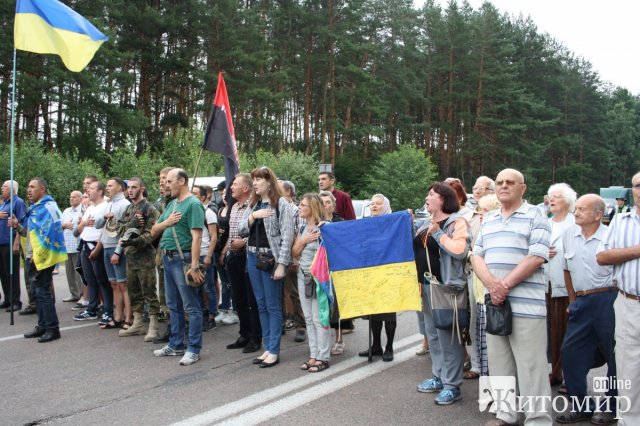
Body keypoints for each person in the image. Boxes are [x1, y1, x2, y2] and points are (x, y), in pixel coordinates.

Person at [472, 168, 552, 426]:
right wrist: (492, 286)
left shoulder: (536, 215)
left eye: (510, 182)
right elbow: (476, 256)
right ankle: (506, 414)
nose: (503, 186)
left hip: (526, 306)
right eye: (499, 182)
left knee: (531, 365)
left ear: (523, 188)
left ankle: (537, 419)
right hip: (495, 305)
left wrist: (501, 286)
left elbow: (537, 256)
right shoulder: (490, 219)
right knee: (499, 362)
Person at [555, 195, 616, 425]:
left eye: (582, 209)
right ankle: (581, 405)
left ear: (598, 215)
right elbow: (566, 269)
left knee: (614, 357)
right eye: (576, 208)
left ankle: (611, 406)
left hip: (607, 299)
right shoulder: (569, 234)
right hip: (581, 302)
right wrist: (572, 299)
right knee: (570, 353)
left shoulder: (610, 235)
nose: (576, 213)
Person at [415, 183, 471, 405]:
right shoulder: (424, 224)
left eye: (431, 194)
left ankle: (452, 386)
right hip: (427, 287)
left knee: (449, 337)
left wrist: (438, 233)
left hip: (447, 288)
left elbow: (459, 251)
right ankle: (438, 377)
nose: (426, 197)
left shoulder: (456, 222)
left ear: (443, 199)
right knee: (434, 336)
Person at [239, 166, 296, 368]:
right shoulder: (253, 205)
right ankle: (267, 347)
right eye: (253, 179)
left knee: (272, 305)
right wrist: (254, 217)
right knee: (261, 304)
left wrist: (282, 264)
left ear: (269, 182)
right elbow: (241, 230)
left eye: (258, 180)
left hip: (271, 257)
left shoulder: (281, 204)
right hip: (253, 256)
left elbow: (288, 236)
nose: (254, 183)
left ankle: (274, 349)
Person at [596, 171, 640, 426]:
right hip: (629, 302)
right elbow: (602, 257)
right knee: (628, 367)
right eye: (637, 186)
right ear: (631, 191)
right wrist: (636, 250)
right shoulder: (620, 222)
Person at [151, 169, 205, 365]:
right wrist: (167, 221)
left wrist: (194, 266)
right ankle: (175, 344)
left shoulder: (193, 204)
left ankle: (193, 348)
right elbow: (154, 230)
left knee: (191, 307)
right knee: (173, 305)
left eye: (170, 181)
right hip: (167, 258)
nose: (166, 185)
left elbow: (197, 237)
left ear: (181, 181)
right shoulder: (172, 204)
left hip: (183, 260)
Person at [11, 178, 66, 343]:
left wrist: (40, 255)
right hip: (31, 254)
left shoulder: (48, 207)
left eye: (32, 187)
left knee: (43, 293)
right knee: (36, 293)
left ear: (42, 190)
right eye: (28, 187)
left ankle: (52, 328)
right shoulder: (35, 208)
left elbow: (53, 231)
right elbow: (29, 232)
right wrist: (16, 226)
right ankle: (42, 325)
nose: (28, 190)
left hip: (42, 256)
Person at [116, 178, 161, 340]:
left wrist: (134, 241)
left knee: (149, 290)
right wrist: (132, 224)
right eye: (129, 188)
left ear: (142, 188)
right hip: (131, 257)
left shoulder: (150, 209)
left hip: (145, 257)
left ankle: (154, 325)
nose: (130, 190)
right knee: (133, 290)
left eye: (134, 187)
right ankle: (138, 323)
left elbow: (152, 233)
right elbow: (118, 228)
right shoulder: (129, 208)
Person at [292, 193, 331, 373]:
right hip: (303, 276)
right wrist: (304, 240)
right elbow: (294, 252)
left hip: (319, 279)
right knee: (308, 317)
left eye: (303, 205)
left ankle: (324, 356)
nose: (299, 207)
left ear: (313, 208)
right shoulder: (302, 228)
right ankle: (313, 354)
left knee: (319, 317)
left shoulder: (325, 227)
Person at [224, 174, 262, 353]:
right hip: (233, 257)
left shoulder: (254, 207)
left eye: (235, 184)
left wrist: (244, 243)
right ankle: (244, 334)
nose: (231, 187)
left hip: (248, 257)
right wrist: (225, 252)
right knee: (238, 298)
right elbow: (231, 233)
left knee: (251, 299)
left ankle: (255, 337)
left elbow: (261, 235)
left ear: (246, 188)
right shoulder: (233, 206)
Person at [464, 176, 496, 380]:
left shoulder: (496, 218)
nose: (476, 191)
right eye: (474, 187)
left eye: (481, 188)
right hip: (473, 276)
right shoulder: (471, 217)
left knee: (494, 323)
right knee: (476, 321)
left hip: (494, 279)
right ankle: (478, 365)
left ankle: (495, 367)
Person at [359, 194, 398, 362]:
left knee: (388, 314)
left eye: (378, 204)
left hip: (388, 273)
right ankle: (376, 345)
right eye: (372, 204)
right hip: (371, 273)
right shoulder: (366, 224)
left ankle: (389, 346)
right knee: (374, 313)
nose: (374, 206)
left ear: (386, 205)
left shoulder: (393, 223)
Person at [545, 183, 576, 389]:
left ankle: (571, 376)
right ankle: (556, 373)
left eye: (557, 196)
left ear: (569, 201)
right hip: (545, 285)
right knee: (551, 333)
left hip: (567, 288)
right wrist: (542, 252)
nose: (552, 199)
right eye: (550, 196)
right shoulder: (545, 223)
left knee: (568, 332)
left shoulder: (575, 223)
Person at [319, 190, 354, 355]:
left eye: (328, 202)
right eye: (322, 202)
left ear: (334, 205)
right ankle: (322, 341)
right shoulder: (313, 223)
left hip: (337, 269)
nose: (325, 206)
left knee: (337, 307)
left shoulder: (341, 223)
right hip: (319, 270)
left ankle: (339, 339)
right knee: (321, 305)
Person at [95, 178, 131, 328]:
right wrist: (105, 216)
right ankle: (118, 316)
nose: (107, 188)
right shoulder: (108, 204)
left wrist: (118, 251)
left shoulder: (126, 205)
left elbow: (127, 232)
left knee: (123, 285)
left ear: (119, 188)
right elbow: (97, 224)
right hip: (106, 246)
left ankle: (128, 318)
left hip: (118, 249)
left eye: (110, 185)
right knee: (114, 284)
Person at [73, 181, 110, 322]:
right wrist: (82, 223)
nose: (88, 190)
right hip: (84, 244)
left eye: (92, 188)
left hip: (96, 245)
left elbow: (105, 230)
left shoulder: (106, 206)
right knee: (90, 280)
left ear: (100, 191)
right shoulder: (89, 208)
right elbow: (78, 230)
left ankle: (107, 308)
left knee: (102, 279)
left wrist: (98, 248)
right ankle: (92, 308)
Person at [279, 179, 306, 343]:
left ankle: (301, 325)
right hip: (278, 257)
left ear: (288, 192)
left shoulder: (296, 211)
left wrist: (295, 258)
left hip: (291, 257)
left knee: (295, 293)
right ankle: (281, 323)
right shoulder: (277, 208)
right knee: (279, 293)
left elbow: (299, 235)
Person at [152, 167, 175, 343]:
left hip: (177, 253)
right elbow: (154, 229)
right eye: (161, 178)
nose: (162, 181)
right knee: (165, 295)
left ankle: (179, 328)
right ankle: (171, 326)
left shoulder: (178, 202)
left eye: (166, 178)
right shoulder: (161, 202)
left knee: (177, 296)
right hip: (162, 252)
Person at [192, 184, 218, 331]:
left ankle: (212, 315)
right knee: (196, 287)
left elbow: (214, 236)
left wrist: (208, 255)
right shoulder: (191, 212)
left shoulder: (208, 213)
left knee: (208, 287)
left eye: (195, 194)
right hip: (193, 254)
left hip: (204, 254)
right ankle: (201, 313)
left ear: (202, 197)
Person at [0, 180, 26, 312]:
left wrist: (16, 242)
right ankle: (7, 299)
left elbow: (21, 222)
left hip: (10, 241)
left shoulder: (18, 202)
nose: (1, 188)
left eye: (4, 186)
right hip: (1, 242)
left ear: (11, 189)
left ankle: (16, 301)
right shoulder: (4, 203)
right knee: (3, 273)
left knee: (12, 272)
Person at [60, 191, 84, 302]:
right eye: (70, 197)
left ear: (80, 198)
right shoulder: (66, 211)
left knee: (78, 272)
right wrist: (64, 225)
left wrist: (77, 224)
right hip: (66, 245)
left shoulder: (83, 210)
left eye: (74, 197)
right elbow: (59, 225)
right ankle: (73, 294)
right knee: (69, 272)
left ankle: (82, 294)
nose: (71, 199)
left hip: (77, 245)